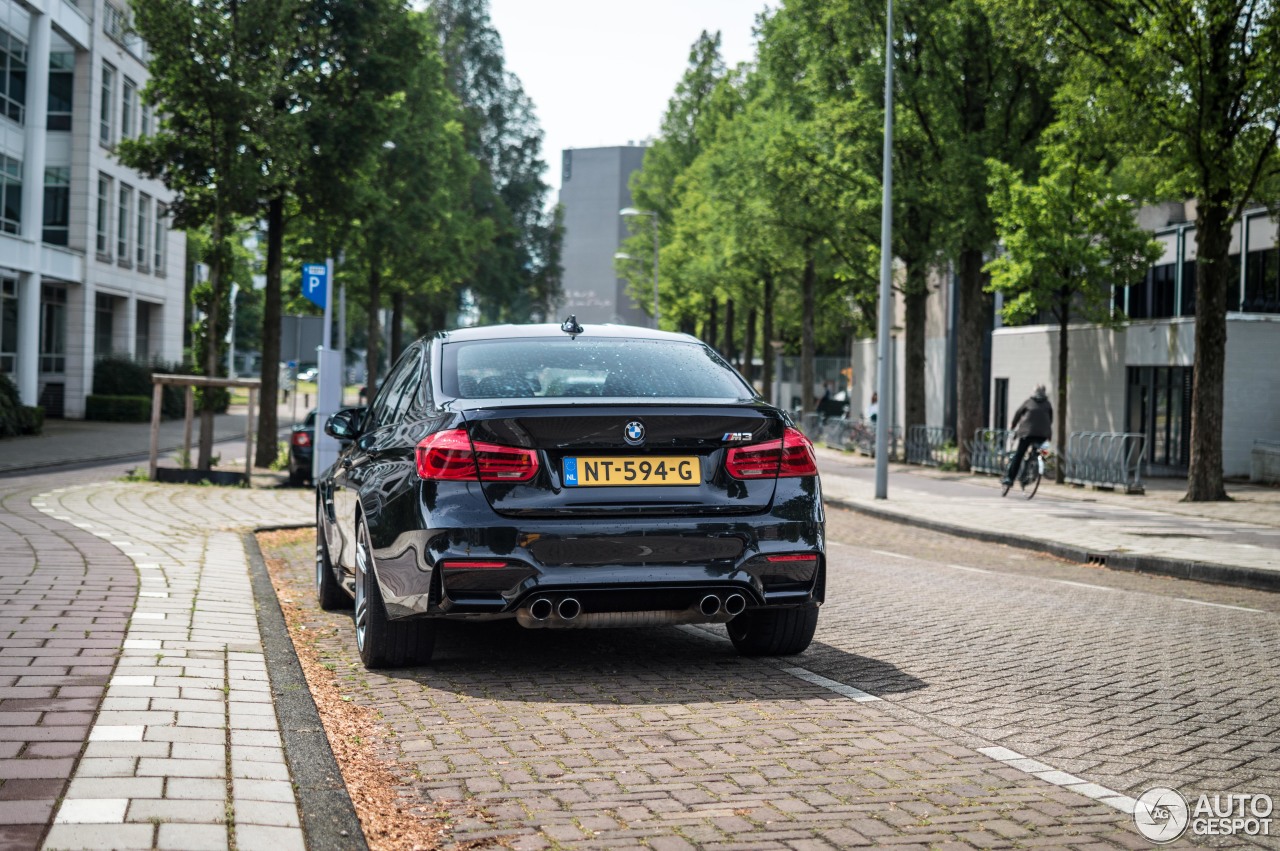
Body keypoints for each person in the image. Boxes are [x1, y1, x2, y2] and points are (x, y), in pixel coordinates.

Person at [1003, 384, 1053, 486]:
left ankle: (1010, 478)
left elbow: (1018, 413)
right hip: (1043, 435)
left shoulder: (1029, 402)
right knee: (1038, 452)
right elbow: (1051, 419)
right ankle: (1031, 473)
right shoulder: (1047, 404)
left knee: (1019, 455)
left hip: (1027, 433)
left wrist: (1012, 425)